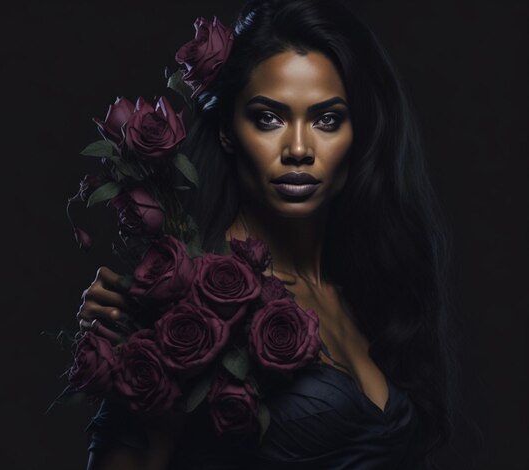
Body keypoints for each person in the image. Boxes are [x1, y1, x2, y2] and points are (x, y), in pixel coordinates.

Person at [77, 0, 457, 468]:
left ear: (360, 134)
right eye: (268, 119)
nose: (298, 149)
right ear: (228, 132)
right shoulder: (182, 307)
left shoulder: (371, 291)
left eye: (327, 119)